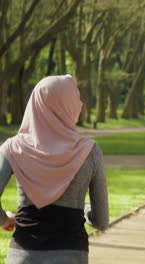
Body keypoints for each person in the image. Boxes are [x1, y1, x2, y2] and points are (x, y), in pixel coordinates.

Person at [0, 75, 109, 264]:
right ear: (67, 105)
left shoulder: (12, 148)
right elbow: (101, 220)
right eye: (77, 98)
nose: (81, 104)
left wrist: (3, 219)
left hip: (22, 256)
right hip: (71, 256)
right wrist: (78, 208)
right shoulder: (89, 152)